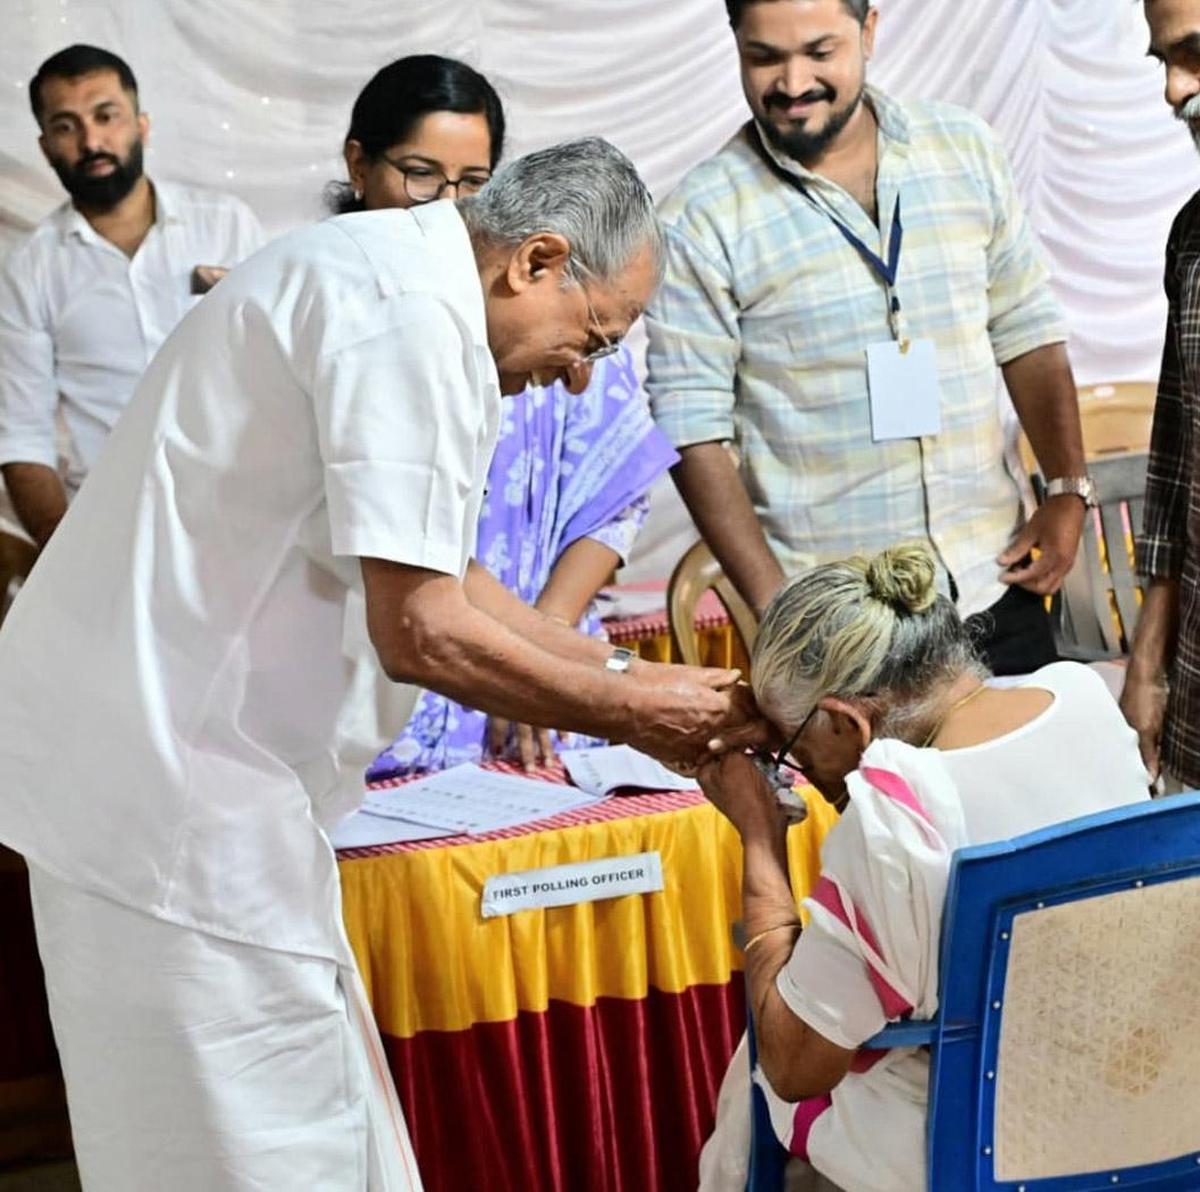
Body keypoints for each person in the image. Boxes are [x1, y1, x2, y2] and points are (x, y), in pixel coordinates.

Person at [0, 136, 758, 1191]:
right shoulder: (408, 315)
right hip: (162, 789)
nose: (582, 376)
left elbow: (455, 574)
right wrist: (638, 718)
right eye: (591, 336)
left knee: (319, 1116)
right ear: (534, 261)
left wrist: (629, 679)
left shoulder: (399, 278)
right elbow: (424, 627)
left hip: (191, 768)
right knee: (247, 1142)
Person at [645, 0, 1093, 677]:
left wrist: (1067, 487)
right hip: (843, 630)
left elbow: (1026, 330)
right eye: (764, 57)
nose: (793, 84)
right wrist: (777, 607)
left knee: (1038, 784)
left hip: (995, 586)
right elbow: (691, 429)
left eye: (820, 52)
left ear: (870, 31)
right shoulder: (700, 219)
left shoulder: (963, 149)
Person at [696, 544, 1150, 1191]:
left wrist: (760, 841)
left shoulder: (897, 819)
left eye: (794, 748)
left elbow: (795, 1065)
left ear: (842, 721)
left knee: (759, 1066)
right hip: (1149, 1097)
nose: (806, 771)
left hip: (989, 1145)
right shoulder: (1084, 697)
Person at [327, 56, 678, 776]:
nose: (447, 203)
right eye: (423, 174)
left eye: (474, 183)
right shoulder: (385, 320)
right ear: (359, 166)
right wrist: (630, 697)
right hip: (365, 700)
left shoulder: (483, 321)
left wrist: (590, 668)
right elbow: (416, 629)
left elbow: (454, 564)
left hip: (507, 670)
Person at [0, 44, 262, 548]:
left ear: (141, 124)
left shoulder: (226, 225)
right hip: (107, 526)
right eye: (66, 125)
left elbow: (275, 368)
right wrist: (68, 554)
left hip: (240, 512)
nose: (91, 140)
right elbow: (21, 436)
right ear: (45, 146)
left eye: (106, 116)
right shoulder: (30, 269)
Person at [1121, 0, 1200, 794]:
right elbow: (1176, 464)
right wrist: (1147, 662)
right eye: (1165, 60)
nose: (1176, 91)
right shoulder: (1192, 237)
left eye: (1197, 54)